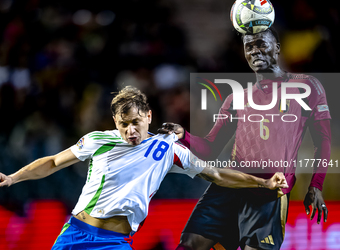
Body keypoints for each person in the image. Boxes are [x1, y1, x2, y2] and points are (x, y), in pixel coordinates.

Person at [0, 86, 288, 250]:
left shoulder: (167, 149)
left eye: (135, 122)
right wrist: (12, 178)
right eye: (123, 124)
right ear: (115, 122)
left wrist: (262, 184)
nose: (130, 130)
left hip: (116, 242)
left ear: (148, 117)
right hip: (76, 234)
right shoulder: (98, 140)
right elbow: (51, 162)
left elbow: (215, 174)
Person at [160, 27, 331, 250]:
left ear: (277, 48)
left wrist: (315, 186)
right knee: (189, 245)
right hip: (229, 185)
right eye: (249, 47)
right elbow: (210, 147)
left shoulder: (307, 86)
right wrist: (184, 136)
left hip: (269, 193)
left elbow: (323, 140)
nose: (255, 51)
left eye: (261, 44)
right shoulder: (236, 97)